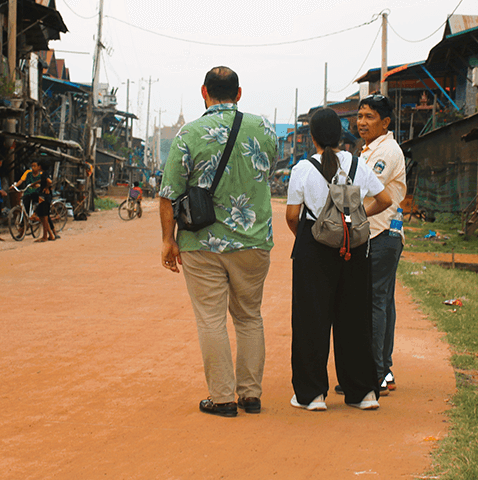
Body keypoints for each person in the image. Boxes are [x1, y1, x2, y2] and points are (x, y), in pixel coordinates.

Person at [159, 66, 278, 418]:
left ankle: (223, 397)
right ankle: (251, 395)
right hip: (254, 241)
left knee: (211, 319)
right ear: (239, 94)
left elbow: (168, 193)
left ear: (203, 92)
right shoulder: (264, 129)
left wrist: (168, 240)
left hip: (202, 242)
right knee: (249, 316)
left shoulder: (188, 135)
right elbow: (267, 169)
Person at [285, 107, 391, 412]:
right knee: (355, 319)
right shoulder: (357, 165)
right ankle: (363, 393)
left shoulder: (303, 169)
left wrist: (311, 235)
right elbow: (384, 200)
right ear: (341, 135)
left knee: (311, 321)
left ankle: (312, 395)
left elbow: (293, 216)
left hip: (314, 247)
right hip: (354, 247)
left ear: (313, 137)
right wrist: (355, 218)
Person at [356, 94, 407, 395]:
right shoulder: (369, 150)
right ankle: (383, 370)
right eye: (360, 116)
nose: (362, 122)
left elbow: (362, 189)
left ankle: (376, 373)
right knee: (382, 302)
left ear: (385, 122)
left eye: (370, 117)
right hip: (380, 234)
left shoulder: (385, 152)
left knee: (375, 303)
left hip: (381, 234)